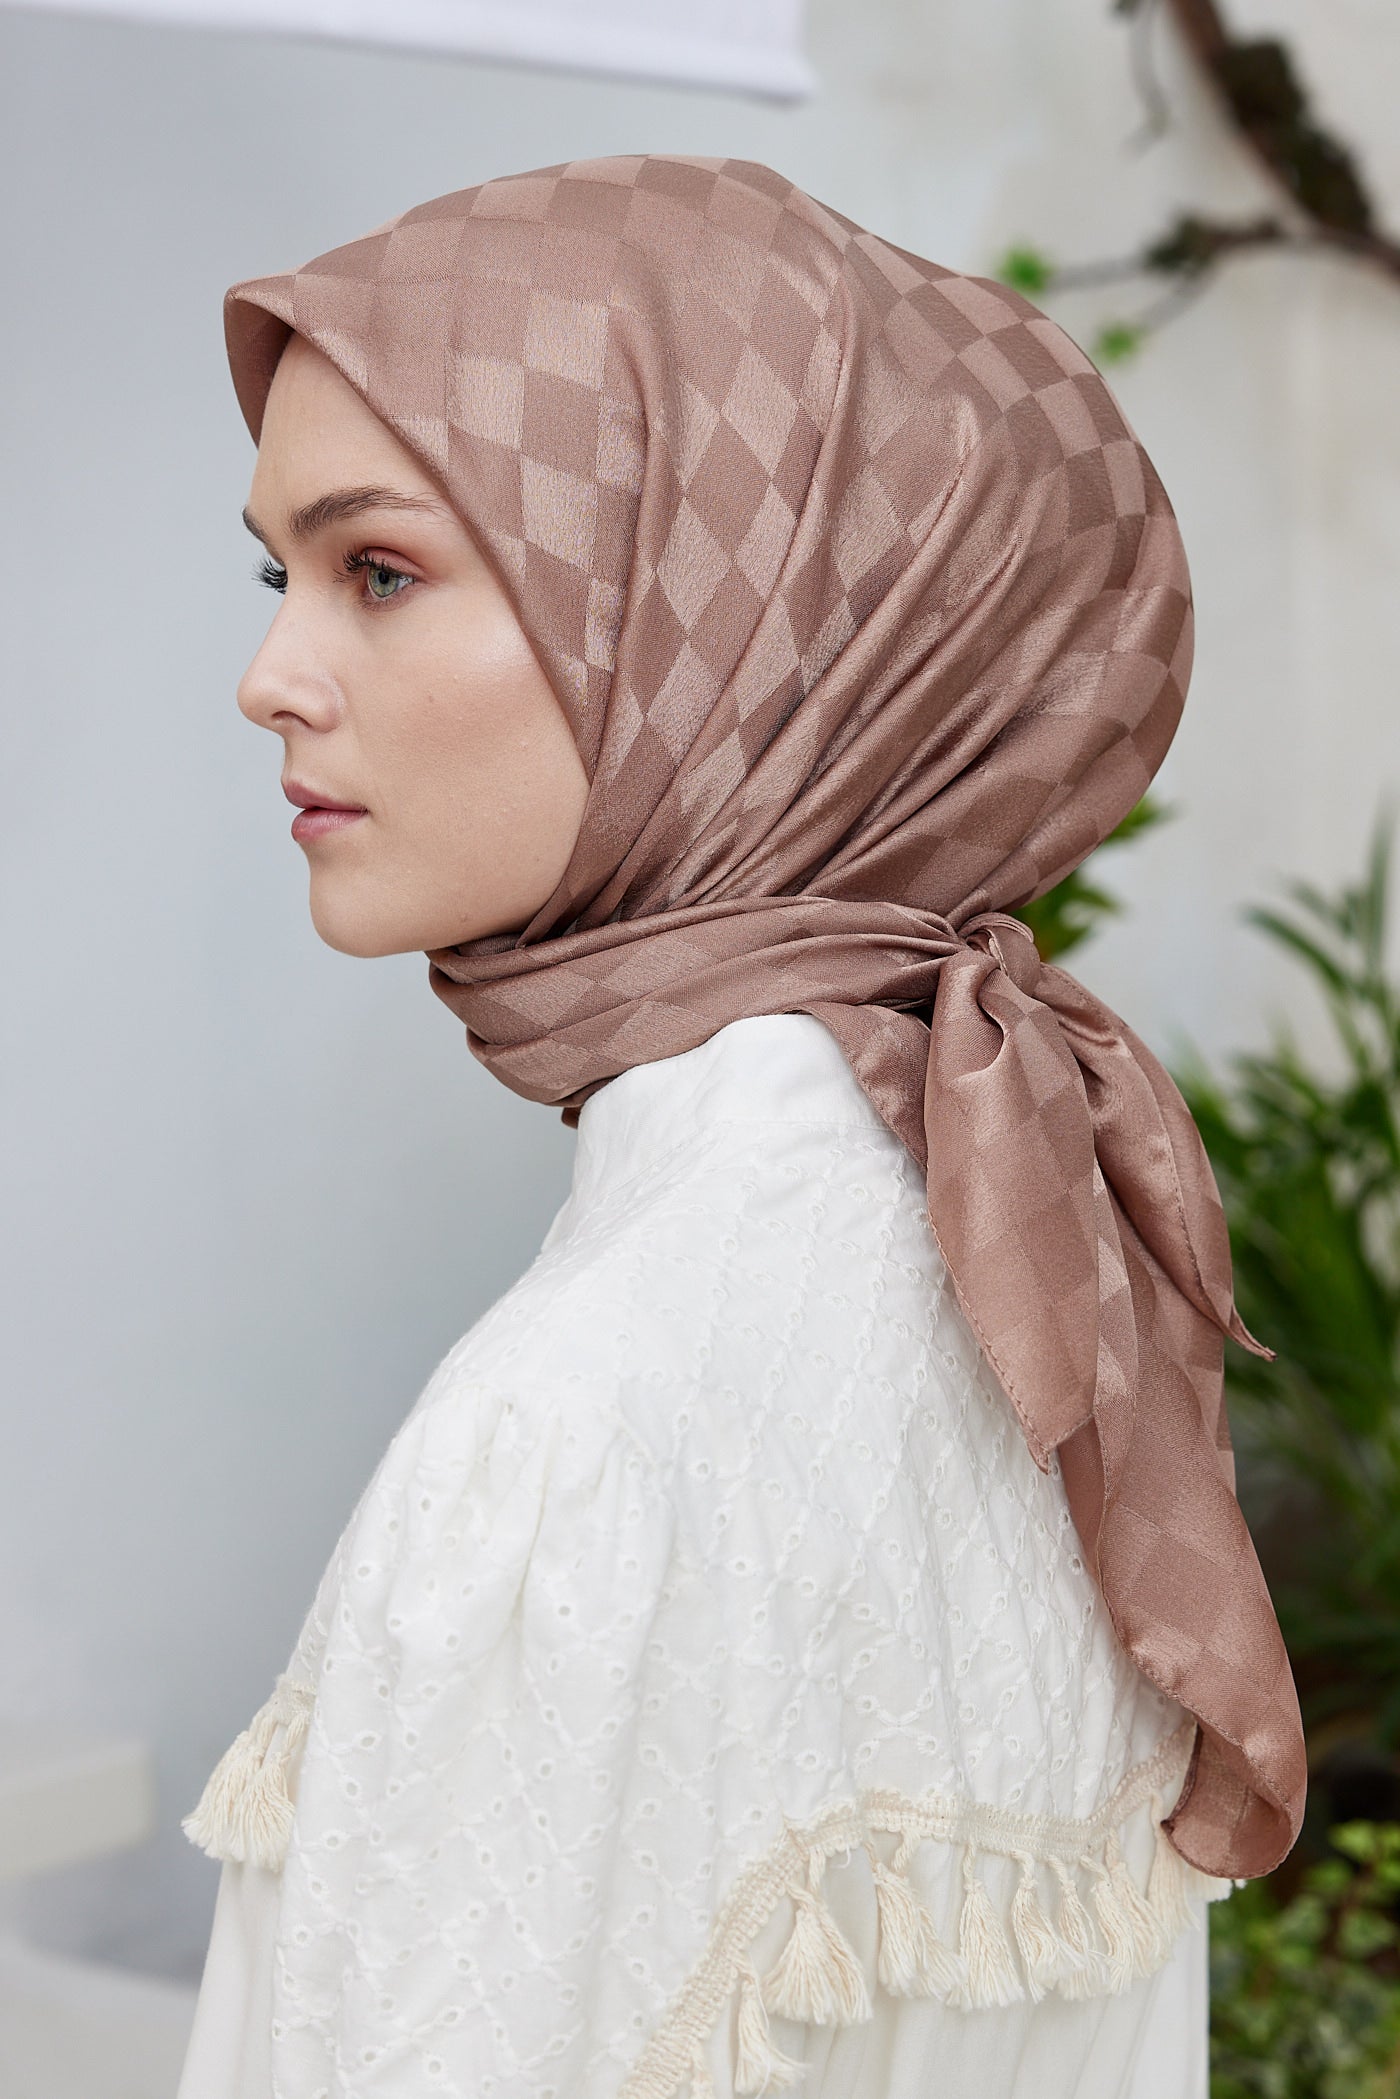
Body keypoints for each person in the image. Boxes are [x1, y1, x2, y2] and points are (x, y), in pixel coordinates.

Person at [174, 155, 1306, 2099]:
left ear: (737, 643)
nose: (270, 680)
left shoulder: (575, 1438)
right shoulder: (1040, 1306)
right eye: (284, 577)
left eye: (382, 573)